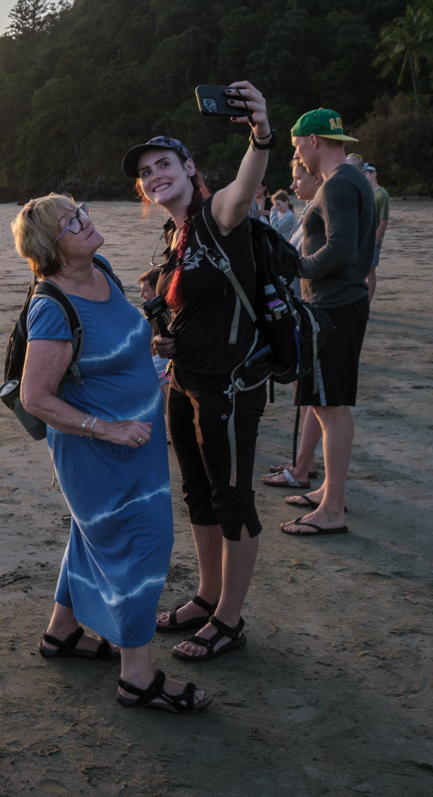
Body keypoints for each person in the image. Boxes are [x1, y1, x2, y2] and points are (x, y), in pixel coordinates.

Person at [12, 195, 211, 714]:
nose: (87, 221)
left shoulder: (99, 267)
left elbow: (108, 344)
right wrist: (108, 429)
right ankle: (137, 677)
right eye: (72, 222)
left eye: (80, 211)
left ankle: (62, 633)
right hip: (101, 452)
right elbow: (36, 397)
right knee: (141, 548)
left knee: (93, 537)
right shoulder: (51, 308)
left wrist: (148, 348)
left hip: (136, 445)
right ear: (51, 250)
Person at [122, 79, 273, 664]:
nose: (155, 174)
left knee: (232, 498)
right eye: (146, 171)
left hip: (231, 385)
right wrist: (165, 335)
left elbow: (247, 184)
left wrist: (260, 133)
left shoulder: (217, 215)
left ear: (188, 167)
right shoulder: (174, 234)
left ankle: (230, 622)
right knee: (198, 493)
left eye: (165, 163)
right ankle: (209, 597)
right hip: (184, 380)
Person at [281, 108, 376, 536]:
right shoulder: (352, 178)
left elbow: (342, 250)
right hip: (342, 304)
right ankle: (329, 491)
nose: (297, 152)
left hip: (333, 308)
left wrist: (296, 267)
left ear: (313, 140)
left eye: (297, 143)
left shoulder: (338, 185)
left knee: (330, 407)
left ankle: (333, 508)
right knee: (327, 405)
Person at [263, 159, 325, 491]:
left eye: (298, 177)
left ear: (316, 177)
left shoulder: (321, 209)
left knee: (314, 392)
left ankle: (302, 467)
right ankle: (305, 460)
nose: (293, 184)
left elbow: (302, 259)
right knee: (307, 390)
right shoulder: (309, 211)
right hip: (306, 307)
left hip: (315, 310)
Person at [138, 268, 171, 437]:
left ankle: (173, 429)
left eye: (145, 290)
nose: (142, 295)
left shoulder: (163, 312)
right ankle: (171, 428)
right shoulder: (162, 309)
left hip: (165, 359)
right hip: (162, 358)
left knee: (157, 375)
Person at [364, 163, 389, 301]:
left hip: (373, 240)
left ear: (374, 174)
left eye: (367, 172)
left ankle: (367, 302)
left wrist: (375, 241)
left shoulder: (382, 195)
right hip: (363, 239)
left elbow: (384, 221)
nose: (365, 175)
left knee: (370, 272)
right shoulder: (366, 192)